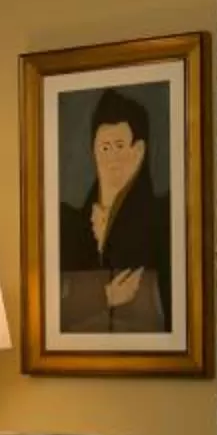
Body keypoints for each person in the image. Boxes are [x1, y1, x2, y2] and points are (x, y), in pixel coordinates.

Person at [57, 88, 170, 334]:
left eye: (119, 146)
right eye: (104, 148)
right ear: (94, 152)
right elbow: (56, 309)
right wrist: (105, 296)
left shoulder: (162, 216)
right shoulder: (69, 220)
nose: (112, 159)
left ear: (138, 151)